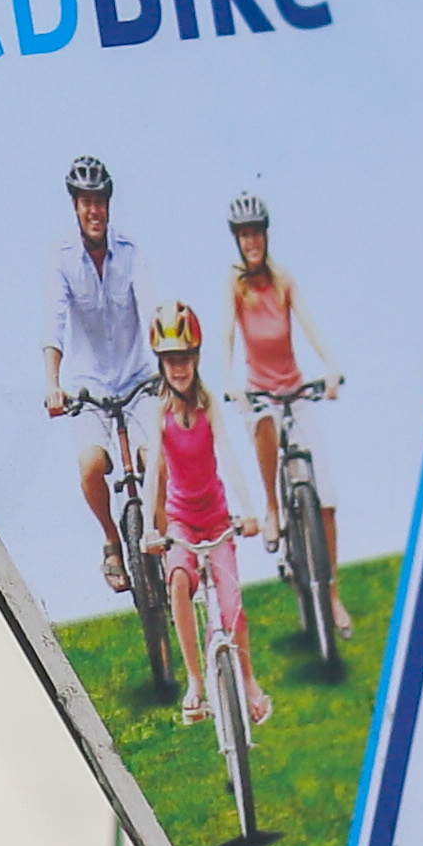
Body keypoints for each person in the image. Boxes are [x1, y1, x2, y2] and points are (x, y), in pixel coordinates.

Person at [144, 304, 270, 735]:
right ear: (161, 363)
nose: (179, 368)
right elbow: (152, 476)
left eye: (185, 357)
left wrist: (250, 510)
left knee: (234, 608)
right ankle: (196, 682)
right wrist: (150, 528)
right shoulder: (157, 415)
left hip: (216, 520)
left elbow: (229, 456)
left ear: (197, 358)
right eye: (170, 359)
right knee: (178, 580)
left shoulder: (208, 404)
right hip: (181, 522)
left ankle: (250, 683)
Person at [40, 152, 151, 580]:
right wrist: (53, 384)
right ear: (75, 205)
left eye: (99, 200)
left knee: (155, 457)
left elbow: (152, 304)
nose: (93, 210)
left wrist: (169, 366)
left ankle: (161, 538)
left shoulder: (130, 251)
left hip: (139, 380)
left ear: (108, 203)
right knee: (90, 465)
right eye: (85, 201)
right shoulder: (62, 257)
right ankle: (111, 539)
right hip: (88, 389)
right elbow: (55, 322)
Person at [217, 191, 334, 534]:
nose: (251, 241)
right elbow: (227, 333)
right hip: (260, 395)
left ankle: (332, 589)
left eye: (256, 232)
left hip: (295, 391)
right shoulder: (235, 285)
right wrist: (228, 381)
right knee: (265, 424)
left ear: (266, 235)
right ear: (237, 240)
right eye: (244, 234)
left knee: (325, 494)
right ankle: (272, 507)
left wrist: (331, 367)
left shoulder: (283, 280)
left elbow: (309, 325)